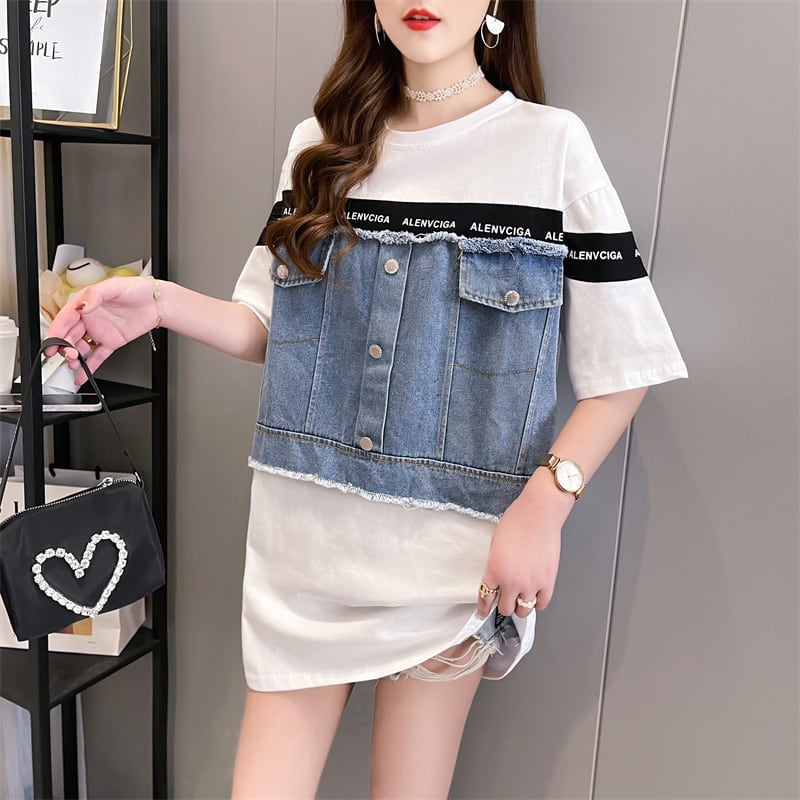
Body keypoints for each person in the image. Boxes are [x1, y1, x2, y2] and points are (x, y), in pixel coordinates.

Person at [47, 1, 688, 797]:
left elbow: (625, 364)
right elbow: (270, 327)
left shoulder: (549, 146)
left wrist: (543, 507)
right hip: (303, 544)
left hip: (454, 560)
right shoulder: (319, 145)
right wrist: (158, 302)